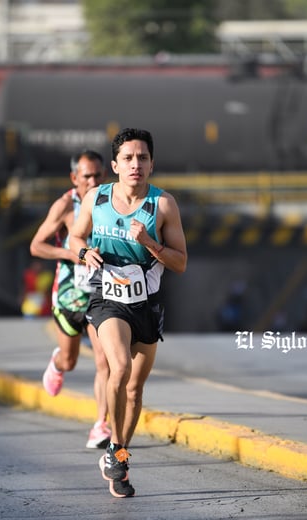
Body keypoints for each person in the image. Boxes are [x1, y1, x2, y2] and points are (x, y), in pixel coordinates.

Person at [69, 128, 188, 498]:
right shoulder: (96, 198)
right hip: (107, 300)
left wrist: (150, 243)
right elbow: (75, 237)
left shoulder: (163, 205)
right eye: (129, 158)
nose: (136, 164)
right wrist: (83, 252)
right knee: (118, 367)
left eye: (143, 158)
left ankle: (118, 455)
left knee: (135, 389)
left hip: (147, 306)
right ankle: (113, 444)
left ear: (152, 164)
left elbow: (181, 262)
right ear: (116, 165)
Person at [29, 149, 112, 449]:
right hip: (69, 296)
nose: (92, 181)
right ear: (74, 177)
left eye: (97, 175)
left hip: (101, 295)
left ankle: (100, 426)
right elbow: (36, 246)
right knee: (71, 359)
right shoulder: (65, 205)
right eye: (86, 176)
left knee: (105, 360)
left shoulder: (112, 201)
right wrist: (73, 253)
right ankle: (58, 362)